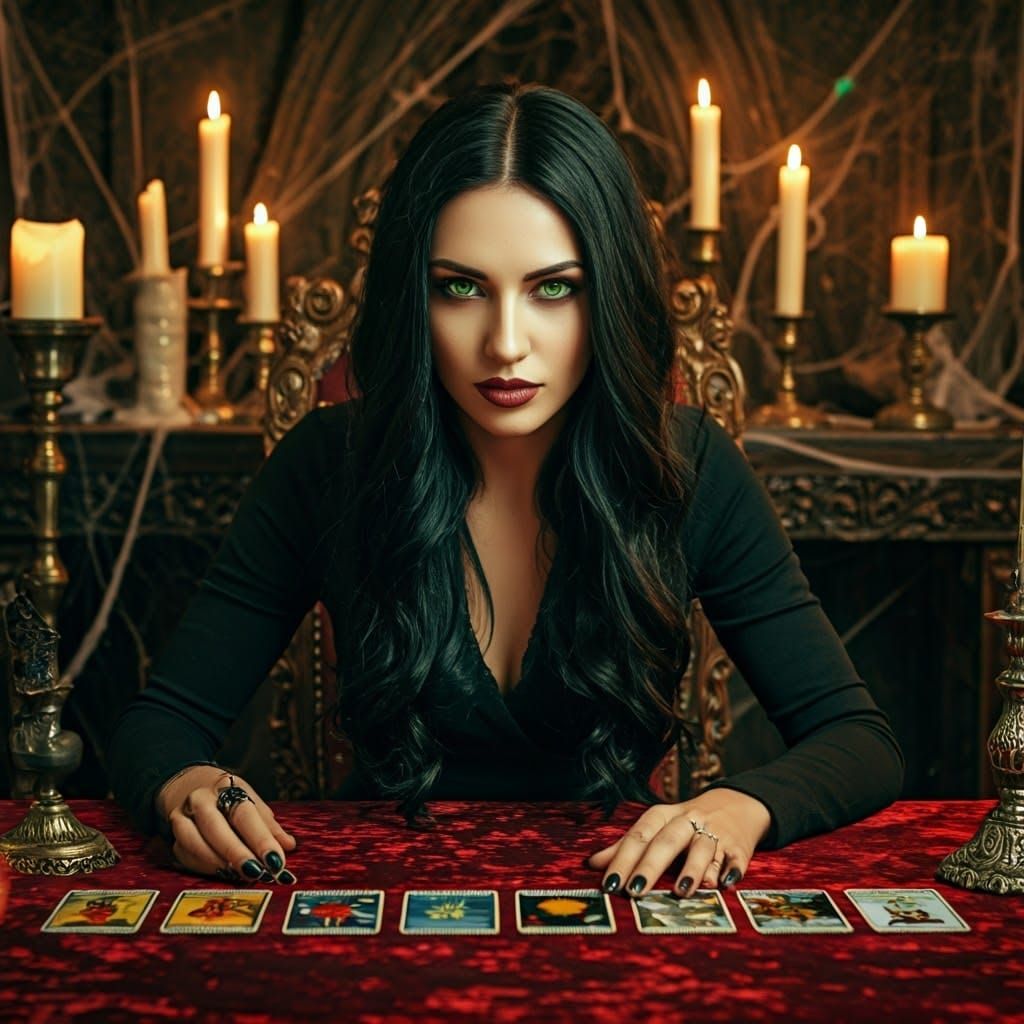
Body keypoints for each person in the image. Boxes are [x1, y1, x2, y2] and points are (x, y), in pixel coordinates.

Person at [108, 82, 904, 898]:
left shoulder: (688, 468)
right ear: (413, 298)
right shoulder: (329, 464)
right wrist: (186, 785)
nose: (507, 344)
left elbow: (857, 738)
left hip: (620, 907)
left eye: (554, 288)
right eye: (461, 287)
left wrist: (741, 807)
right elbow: (159, 724)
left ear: (611, 296)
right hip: (376, 909)